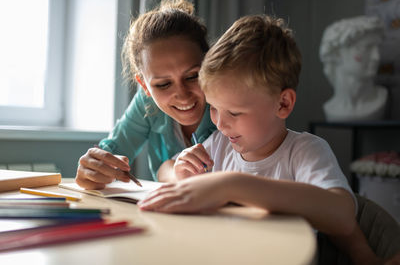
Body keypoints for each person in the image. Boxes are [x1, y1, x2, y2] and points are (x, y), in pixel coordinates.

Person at [138, 15, 388, 264]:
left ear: (283, 103)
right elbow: (164, 170)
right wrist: (180, 170)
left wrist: (231, 184)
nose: (220, 123)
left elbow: (342, 215)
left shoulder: (305, 152)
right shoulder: (221, 144)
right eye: (213, 108)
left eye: (234, 112)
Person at [75, 0, 216, 190]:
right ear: (144, 86)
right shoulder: (147, 103)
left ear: (210, 64)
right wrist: (94, 168)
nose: (182, 95)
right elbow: (111, 153)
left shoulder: (233, 102)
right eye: (164, 84)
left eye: (192, 76)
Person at [319, 15, 388, 122]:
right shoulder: (331, 108)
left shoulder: (382, 98)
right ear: (337, 54)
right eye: (366, 48)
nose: (376, 57)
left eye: (377, 48)